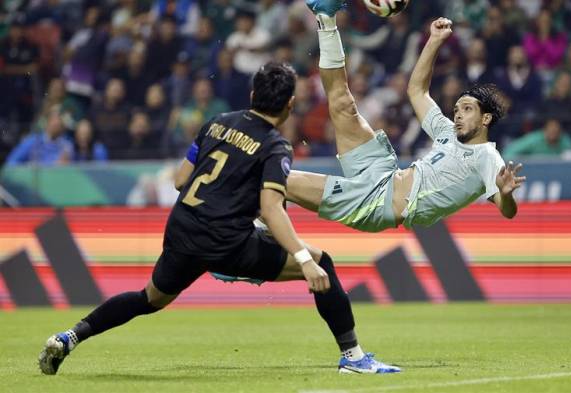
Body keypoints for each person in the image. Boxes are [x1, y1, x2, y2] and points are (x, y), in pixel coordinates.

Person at [38, 62, 400, 376]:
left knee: (149, 298)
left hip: (182, 230)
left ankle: (69, 337)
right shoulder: (276, 146)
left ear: (253, 92)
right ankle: (353, 357)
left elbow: (181, 180)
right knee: (324, 261)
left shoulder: (216, 123)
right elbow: (272, 208)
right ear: (291, 104)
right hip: (227, 242)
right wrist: (304, 261)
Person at [285, 1, 524, 234]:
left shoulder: (488, 157)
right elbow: (417, 91)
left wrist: (505, 194)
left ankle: (258, 235)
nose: (459, 114)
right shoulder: (447, 132)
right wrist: (434, 41)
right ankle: (326, 17)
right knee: (342, 103)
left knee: (278, 178)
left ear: (485, 119)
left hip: (376, 204)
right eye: (458, 109)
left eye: (468, 109)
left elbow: (508, 212)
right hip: (385, 172)